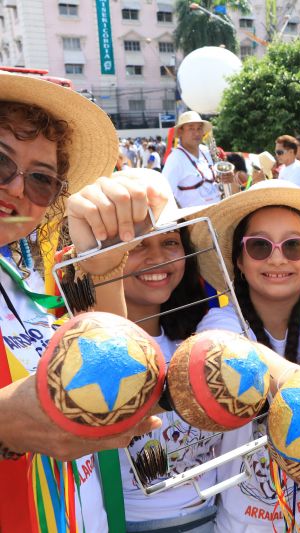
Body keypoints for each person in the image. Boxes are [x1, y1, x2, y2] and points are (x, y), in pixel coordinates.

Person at [0, 71, 169, 531]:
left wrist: (108, 266)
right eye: (1, 163)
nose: (17, 188)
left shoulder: (31, 276)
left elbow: (112, 365)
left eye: (41, 180)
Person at [189, 180, 300, 531]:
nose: (277, 258)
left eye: (294, 246)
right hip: (243, 524)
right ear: (238, 260)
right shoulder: (220, 322)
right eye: (259, 246)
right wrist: (289, 376)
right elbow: (224, 349)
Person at [99, 169, 218, 532]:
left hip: (213, 518)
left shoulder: (201, 338)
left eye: (170, 242)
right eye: (136, 245)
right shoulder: (83, 345)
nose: (159, 257)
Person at [161, 111, 231, 208]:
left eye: (199, 128)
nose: (197, 133)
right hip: (195, 221)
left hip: (219, 214)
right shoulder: (175, 159)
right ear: (181, 132)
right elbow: (163, 194)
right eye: (191, 128)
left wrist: (229, 180)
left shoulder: (206, 151)